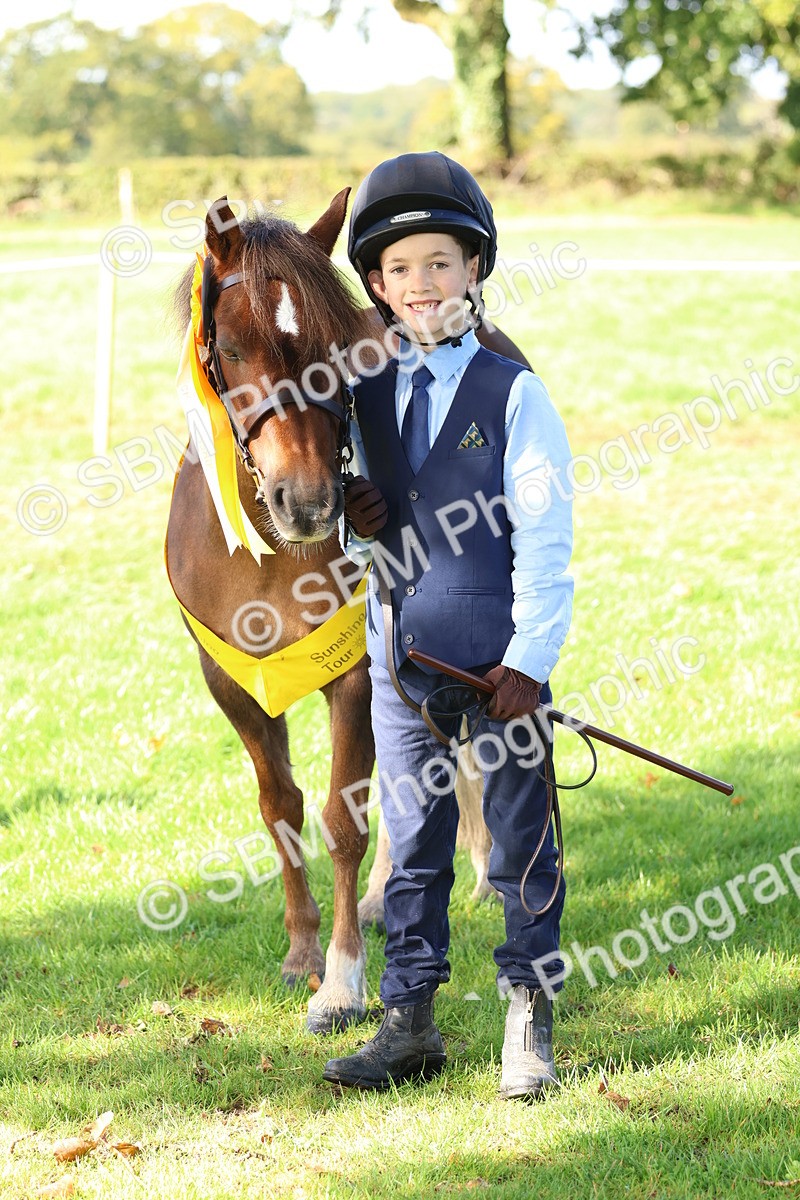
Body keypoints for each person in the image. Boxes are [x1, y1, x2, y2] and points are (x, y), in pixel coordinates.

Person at [323, 152, 574, 1100]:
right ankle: (410, 1022)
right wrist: (358, 519)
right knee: (414, 840)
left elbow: (548, 544)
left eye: (439, 263)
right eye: (399, 270)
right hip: (400, 668)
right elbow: (361, 541)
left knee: (518, 843)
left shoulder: (515, 394)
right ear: (379, 288)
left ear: (473, 270)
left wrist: (528, 661)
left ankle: (527, 1019)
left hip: (495, 669)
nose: (420, 284)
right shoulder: (368, 398)